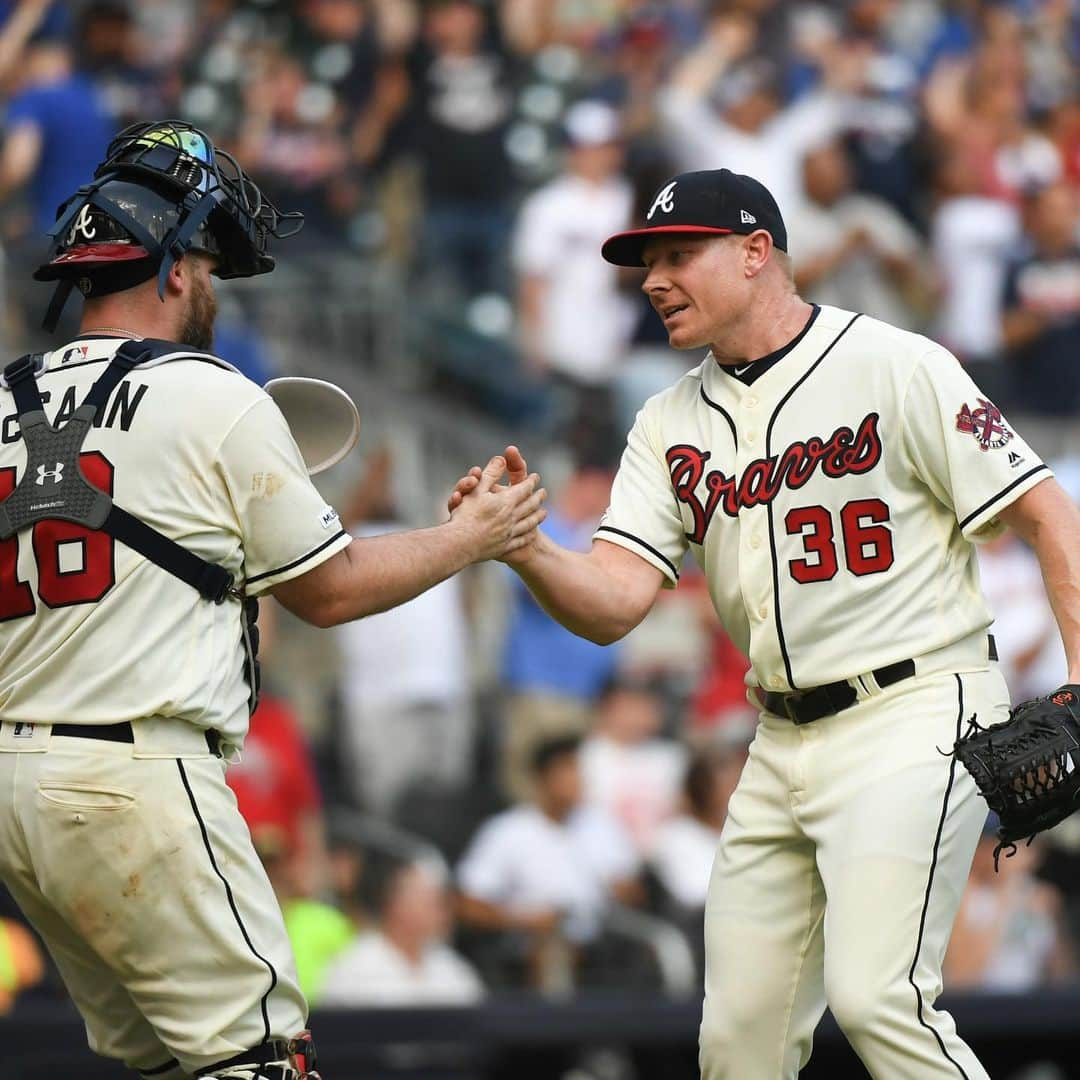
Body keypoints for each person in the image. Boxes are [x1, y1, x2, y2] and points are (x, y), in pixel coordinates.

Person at [450, 167, 1080, 1077]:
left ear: (756, 255)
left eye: (679, 254)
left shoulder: (897, 364)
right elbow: (617, 599)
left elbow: (1048, 515)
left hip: (916, 709)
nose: (655, 279)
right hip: (778, 740)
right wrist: (524, 547)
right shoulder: (666, 422)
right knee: (737, 1043)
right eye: (648, 261)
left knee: (879, 999)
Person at [0, 121, 545, 1080]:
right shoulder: (216, 394)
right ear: (173, 271)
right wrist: (472, 537)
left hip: (15, 788)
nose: (212, 284)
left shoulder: (4, 398)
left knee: (161, 1066)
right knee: (260, 1059)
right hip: (136, 777)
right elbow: (329, 591)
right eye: (208, 262)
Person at [320, 856, 484, 1007]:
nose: (442, 911)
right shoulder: (354, 965)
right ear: (396, 904)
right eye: (430, 902)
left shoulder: (453, 968)